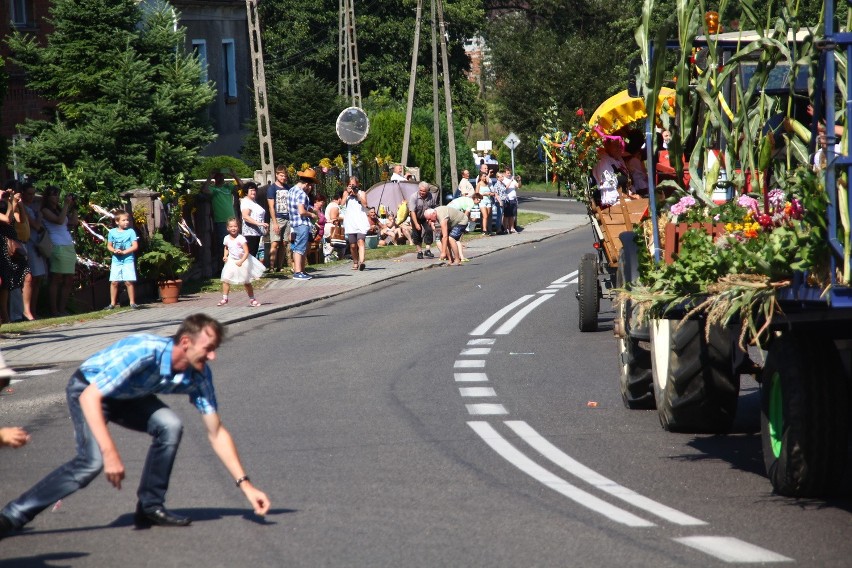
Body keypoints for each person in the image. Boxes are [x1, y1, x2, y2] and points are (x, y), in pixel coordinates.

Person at [0, 314, 270, 540]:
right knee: (90, 463)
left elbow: (217, 431)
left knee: (170, 425)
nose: (213, 356)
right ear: (185, 342)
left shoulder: (198, 374)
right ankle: (12, 515)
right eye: (209, 347)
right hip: (89, 389)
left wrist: (246, 486)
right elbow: (90, 397)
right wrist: (111, 453)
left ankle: (150, 506)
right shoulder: (144, 350)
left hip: (129, 397)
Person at [40, 186, 77, 317]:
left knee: (68, 279)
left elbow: (72, 222)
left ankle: (62, 309)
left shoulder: (60, 209)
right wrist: (66, 205)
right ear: (47, 197)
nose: (56, 197)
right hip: (57, 245)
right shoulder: (45, 210)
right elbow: (59, 220)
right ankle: (54, 310)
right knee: (56, 278)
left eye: (57, 195)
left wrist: (74, 207)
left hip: (68, 245)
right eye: (53, 195)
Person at [218, 218, 265, 307]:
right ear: (227, 228)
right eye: (231, 226)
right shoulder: (226, 238)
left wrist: (241, 261)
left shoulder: (241, 238)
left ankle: (252, 299)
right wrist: (225, 256)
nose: (233, 228)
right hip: (231, 261)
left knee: (246, 282)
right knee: (225, 279)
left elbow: (246, 251)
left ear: (238, 227)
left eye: (235, 226)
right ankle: (225, 298)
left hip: (242, 260)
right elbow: (226, 247)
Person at [202, 169, 240, 271]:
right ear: (216, 178)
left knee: (235, 244)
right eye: (219, 176)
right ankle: (223, 268)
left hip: (231, 220)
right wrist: (210, 177)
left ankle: (234, 266)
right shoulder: (213, 189)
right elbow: (204, 190)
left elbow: (242, 186)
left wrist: (234, 175)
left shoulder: (228, 187)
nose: (222, 178)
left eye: (222, 176)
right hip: (220, 221)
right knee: (224, 245)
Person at [287, 168, 319, 280]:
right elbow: (301, 211)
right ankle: (298, 271)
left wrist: (310, 208)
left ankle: (301, 270)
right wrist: (311, 214)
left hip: (294, 223)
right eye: (310, 186)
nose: (310, 188)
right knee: (300, 248)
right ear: (306, 184)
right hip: (302, 223)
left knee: (298, 246)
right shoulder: (301, 193)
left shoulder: (291, 190)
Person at [105, 211, 140, 310]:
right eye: (123, 220)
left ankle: (132, 302)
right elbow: (109, 246)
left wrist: (124, 252)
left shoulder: (131, 232)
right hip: (116, 260)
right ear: (117, 222)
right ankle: (112, 303)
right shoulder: (112, 232)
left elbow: (135, 246)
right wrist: (114, 251)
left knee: (128, 281)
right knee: (114, 282)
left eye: (127, 220)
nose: (126, 222)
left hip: (128, 259)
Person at [20, 182, 43, 321]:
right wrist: (39, 216)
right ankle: (26, 310)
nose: (32, 196)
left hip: (37, 244)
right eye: (29, 193)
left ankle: (33, 310)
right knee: (30, 278)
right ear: (22, 193)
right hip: (28, 243)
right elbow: (36, 225)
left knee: (38, 278)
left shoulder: (33, 206)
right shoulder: (24, 207)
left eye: (33, 193)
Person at [265, 165, 291, 272]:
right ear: (276, 175)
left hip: (287, 218)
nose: (283, 178)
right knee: (275, 242)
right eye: (281, 175)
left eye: (285, 176)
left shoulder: (288, 188)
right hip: (278, 218)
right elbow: (271, 206)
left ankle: (279, 266)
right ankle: (271, 266)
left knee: (284, 243)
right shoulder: (272, 188)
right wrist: (274, 222)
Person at [593, 136, 629, 207]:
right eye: (616, 146)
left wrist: (631, 194)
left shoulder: (618, 159)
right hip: (612, 201)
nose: (619, 148)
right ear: (607, 145)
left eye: (620, 145)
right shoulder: (603, 161)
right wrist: (626, 197)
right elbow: (609, 186)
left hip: (623, 199)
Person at [342, 177, 369, 271]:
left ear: (357, 184)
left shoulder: (362, 193)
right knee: (352, 245)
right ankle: (355, 261)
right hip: (350, 222)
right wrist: (348, 193)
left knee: (361, 241)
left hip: (360, 221)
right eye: (350, 185)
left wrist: (357, 194)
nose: (352, 187)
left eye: (354, 185)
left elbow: (365, 205)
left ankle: (362, 262)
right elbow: (341, 204)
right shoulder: (346, 193)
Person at [407, 181, 437, 259]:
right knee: (417, 232)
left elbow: (433, 207)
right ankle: (419, 251)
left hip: (426, 216)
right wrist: (416, 224)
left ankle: (427, 250)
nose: (422, 192)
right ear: (418, 189)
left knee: (429, 230)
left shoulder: (431, 196)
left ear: (427, 191)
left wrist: (431, 220)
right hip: (415, 216)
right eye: (421, 191)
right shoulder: (413, 197)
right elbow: (412, 211)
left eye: (424, 191)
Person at [239, 181, 268, 258]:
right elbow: (245, 216)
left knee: (254, 254)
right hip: (250, 233)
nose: (253, 192)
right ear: (246, 192)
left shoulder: (253, 202)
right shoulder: (246, 202)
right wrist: (258, 223)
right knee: (250, 255)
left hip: (256, 233)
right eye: (251, 190)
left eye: (254, 190)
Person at [502, 169, 519, 234]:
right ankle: (505, 228)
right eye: (508, 173)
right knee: (506, 215)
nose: (509, 174)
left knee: (512, 215)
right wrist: (511, 180)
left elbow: (518, 186)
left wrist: (519, 181)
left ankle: (511, 228)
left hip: (513, 199)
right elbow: (506, 187)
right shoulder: (504, 180)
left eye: (510, 173)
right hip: (507, 199)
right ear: (505, 173)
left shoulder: (513, 180)